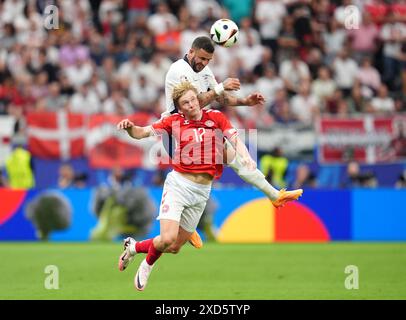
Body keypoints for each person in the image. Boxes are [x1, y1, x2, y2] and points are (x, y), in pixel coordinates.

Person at [116, 82, 303, 290]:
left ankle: (133, 247)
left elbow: (234, 138)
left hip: (202, 192)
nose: (191, 105)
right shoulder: (173, 121)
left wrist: (247, 157)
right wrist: (130, 127)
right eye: (185, 103)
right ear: (179, 107)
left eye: (193, 100)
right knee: (167, 238)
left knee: (175, 247)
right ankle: (147, 265)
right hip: (179, 185)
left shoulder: (215, 117)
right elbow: (142, 132)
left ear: (198, 99)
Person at [163, 36, 300, 249]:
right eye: (201, 58)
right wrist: (219, 88)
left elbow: (220, 98)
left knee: (229, 160)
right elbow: (192, 103)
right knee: (189, 180)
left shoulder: (204, 72)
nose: (204, 63)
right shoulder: (177, 70)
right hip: (176, 132)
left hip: (197, 130)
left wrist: (245, 102)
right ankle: (186, 228)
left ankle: (275, 195)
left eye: (208, 60)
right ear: (190, 52)